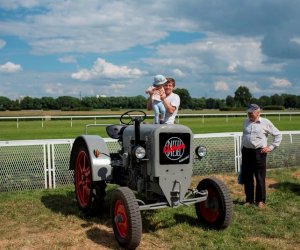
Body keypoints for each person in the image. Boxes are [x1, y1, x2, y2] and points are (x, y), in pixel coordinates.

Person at [241, 104, 282, 209]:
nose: (249, 114)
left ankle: (260, 201)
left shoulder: (265, 122)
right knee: (248, 177)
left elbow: (278, 134)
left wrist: (271, 147)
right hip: (246, 152)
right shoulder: (246, 122)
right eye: (248, 113)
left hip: (259, 153)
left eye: (251, 113)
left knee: (260, 177)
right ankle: (249, 200)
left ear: (258, 113)